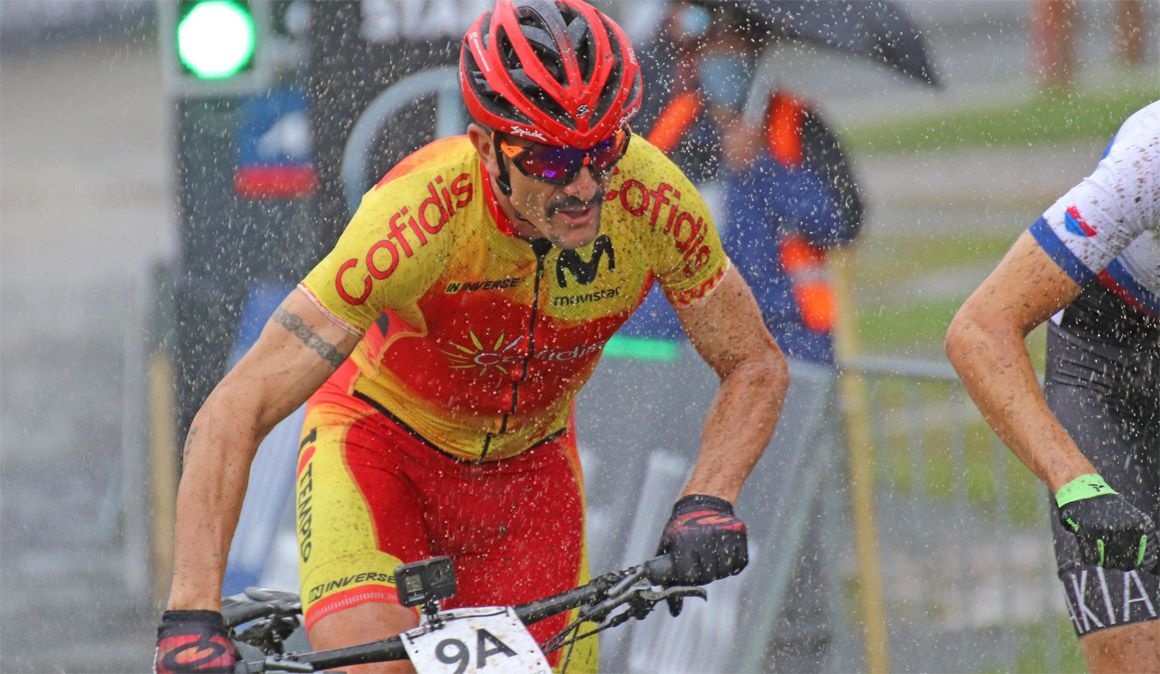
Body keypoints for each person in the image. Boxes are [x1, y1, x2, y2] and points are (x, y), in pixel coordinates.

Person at [152, 1, 789, 673]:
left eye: (602, 149)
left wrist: (708, 498)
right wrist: (192, 611)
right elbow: (239, 402)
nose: (582, 187)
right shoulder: (417, 219)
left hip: (527, 485)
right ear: (487, 145)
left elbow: (754, 361)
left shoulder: (651, 201)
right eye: (548, 160)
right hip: (382, 454)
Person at [946, 101, 1159, 674]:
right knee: (1131, 653)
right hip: (1105, 370)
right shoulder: (1148, 164)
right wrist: (1074, 480)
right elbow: (978, 329)